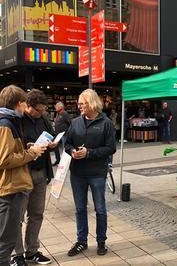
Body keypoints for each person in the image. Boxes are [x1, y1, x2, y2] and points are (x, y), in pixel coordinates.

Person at [65, 89, 116, 257]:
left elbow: (111, 148)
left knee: (100, 209)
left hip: (97, 173)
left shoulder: (106, 123)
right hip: (77, 173)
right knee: (80, 209)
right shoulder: (75, 122)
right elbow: (67, 143)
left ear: (92, 103)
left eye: (82, 103)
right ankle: (82, 241)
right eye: (79, 103)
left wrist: (89, 153)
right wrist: (72, 151)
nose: (79, 106)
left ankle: (101, 242)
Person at [0, 85, 46, 266]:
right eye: (24, 104)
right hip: (10, 188)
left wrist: (27, 148)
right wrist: (32, 153)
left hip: (13, 185)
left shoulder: (9, 121)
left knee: (7, 237)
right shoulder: (6, 123)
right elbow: (4, 159)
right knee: (6, 240)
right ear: (19, 104)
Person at [12, 89, 58, 266]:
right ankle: (17, 255)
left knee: (37, 214)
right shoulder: (17, 120)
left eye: (42, 110)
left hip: (41, 172)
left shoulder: (43, 118)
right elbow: (13, 148)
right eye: (37, 110)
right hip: (23, 173)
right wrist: (29, 146)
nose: (40, 113)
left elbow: (50, 135)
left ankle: (32, 251)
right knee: (17, 217)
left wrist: (53, 143)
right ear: (28, 106)